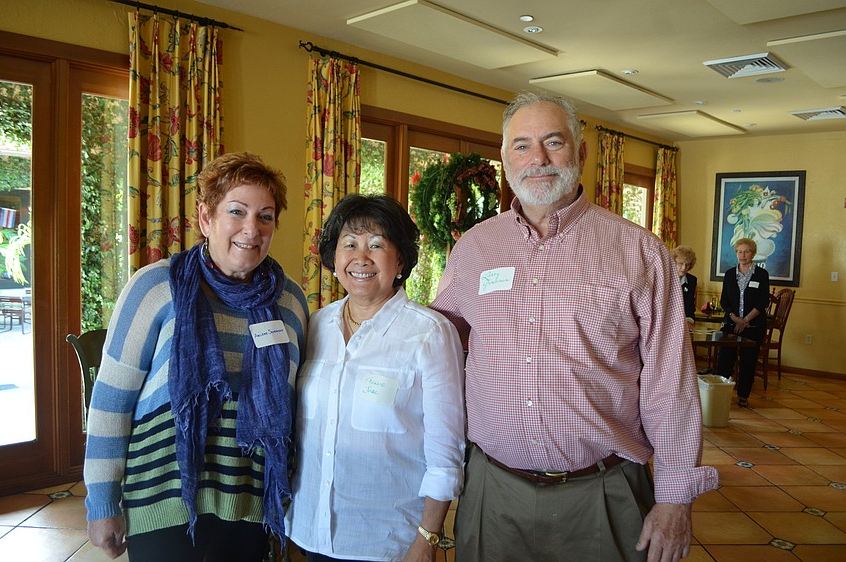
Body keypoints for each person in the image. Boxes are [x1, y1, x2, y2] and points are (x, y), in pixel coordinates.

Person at [430, 93, 718, 562]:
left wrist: (674, 497)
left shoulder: (640, 253)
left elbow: (671, 384)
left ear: (581, 152)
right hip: (492, 492)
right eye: (521, 145)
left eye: (553, 142)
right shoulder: (473, 249)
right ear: (504, 157)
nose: (537, 159)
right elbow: (436, 341)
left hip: (602, 494)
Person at [83, 152, 308, 561]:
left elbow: (295, 408)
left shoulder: (290, 300)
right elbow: (112, 400)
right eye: (236, 212)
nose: (251, 229)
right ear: (206, 218)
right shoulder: (155, 287)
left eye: (265, 217)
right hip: (163, 501)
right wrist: (102, 501)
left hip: (248, 505)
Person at [285, 194, 465, 562]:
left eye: (377, 245)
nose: (361, 257)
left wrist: (427, 539)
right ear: (334, 258)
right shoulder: (315, 325)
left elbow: (446, 453)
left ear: (400, 260)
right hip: (308, 532)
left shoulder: (429, 333)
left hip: (387, 541)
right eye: (349, 244)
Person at [715, 237, 770, 408]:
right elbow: (724, 301)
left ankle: (743, 395)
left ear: (753, 253)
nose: (743, 255)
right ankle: (720, 395)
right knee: (725, 360)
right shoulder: (730, 274)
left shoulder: (761, 275)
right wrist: (735, 318)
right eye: (739, 251)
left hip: (753, 325)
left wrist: (745, 320)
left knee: (748, 361)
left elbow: (763, 302)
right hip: (732, 324)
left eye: (746, 251)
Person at [672, 245, 698, 324]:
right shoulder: (665, 278)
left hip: (684, 322)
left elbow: (690, 307)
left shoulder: (692, 280)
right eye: (680, 264)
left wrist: (689, 321)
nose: (684, 268)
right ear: (673, 263)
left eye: (687, 264)